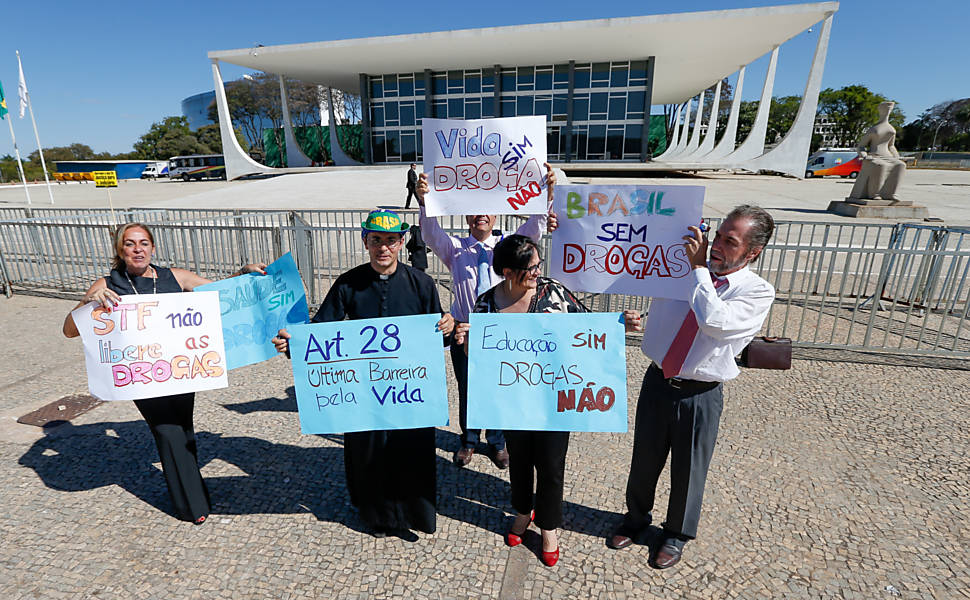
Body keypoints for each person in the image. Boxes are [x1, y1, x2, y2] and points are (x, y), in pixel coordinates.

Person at [62, 222, 267, 525]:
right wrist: (88, 302)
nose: (138, 249)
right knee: (167, 431)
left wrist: (243, 272)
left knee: (183, 429)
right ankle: (192, 505)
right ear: (121, 250)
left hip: (181, 371)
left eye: (144, 243)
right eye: (130, 244)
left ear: (152, 247)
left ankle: (190, 487)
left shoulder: (174, 276)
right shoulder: (106, 283)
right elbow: (68, 330)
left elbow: (217, 293)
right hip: (141, 376)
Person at [454, 234, 639, 568]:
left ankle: (549, 526)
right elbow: (475, 356)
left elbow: (588, 323)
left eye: (539, 265)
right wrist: (467, 340)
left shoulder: (552, 292)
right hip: (512, 404)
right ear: (508, 271)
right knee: (520, 463)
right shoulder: (485, 303)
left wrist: (620, 324)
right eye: (530, 268)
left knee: (551, 467)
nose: (537, 272)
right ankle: (523, 512)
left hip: (555, 400)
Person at [608, 205, 776, 570]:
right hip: (658, 380)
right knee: (644, 459)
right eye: (717, 235)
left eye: (729, 241)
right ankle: (636, 519)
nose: (715, 245)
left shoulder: (756, 291)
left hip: (700, 393)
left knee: (689, 469)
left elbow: (714, 320)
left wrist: (698, 269)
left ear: (753, 251)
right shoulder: (681, 268)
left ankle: (676, 534)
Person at [272, 209, 455, 539]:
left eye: (390, 241)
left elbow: (437, 333)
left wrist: (449, 324)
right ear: (365, 241)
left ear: (401, 243)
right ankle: (378, 517)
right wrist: (295, 344)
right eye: (376, 241)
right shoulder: (348, 283)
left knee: (410, 450)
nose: (383, 248)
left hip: (408, 391)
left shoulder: (422, 283)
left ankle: (414, 514)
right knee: (367, 452)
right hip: (364, 393)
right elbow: (321, 330)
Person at [414, 164, 559, 469]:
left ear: (496, 213)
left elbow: (535, 226)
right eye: (473, 210)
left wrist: (546, 193)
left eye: (487, 209)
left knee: (497, 386)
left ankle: (496, 442)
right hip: (463, 330)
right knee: (467, 388)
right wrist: (424, 201)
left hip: (500, 333)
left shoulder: (508, 247)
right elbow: (430, 232)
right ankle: (468, 440)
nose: (480, 214)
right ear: (466, 216)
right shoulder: (455, 249)